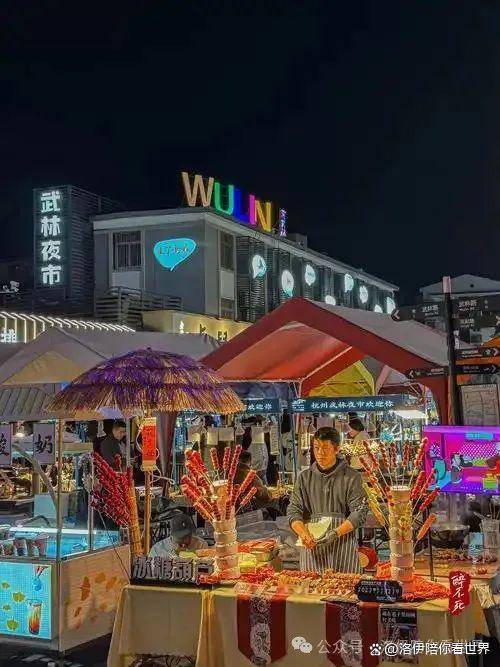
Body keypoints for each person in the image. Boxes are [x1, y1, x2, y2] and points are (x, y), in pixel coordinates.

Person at [287, 426, 368, 573]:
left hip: (343, 544)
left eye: (325, 448)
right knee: (312, 584)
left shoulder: (352, 477)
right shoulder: (304, 478)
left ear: (337, 449)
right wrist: (303, 534)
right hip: (312, 545)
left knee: (345, 585)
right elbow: (294, 510)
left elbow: (359, 511)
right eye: (316, 448)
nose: (320, 453)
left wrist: (336, 533)